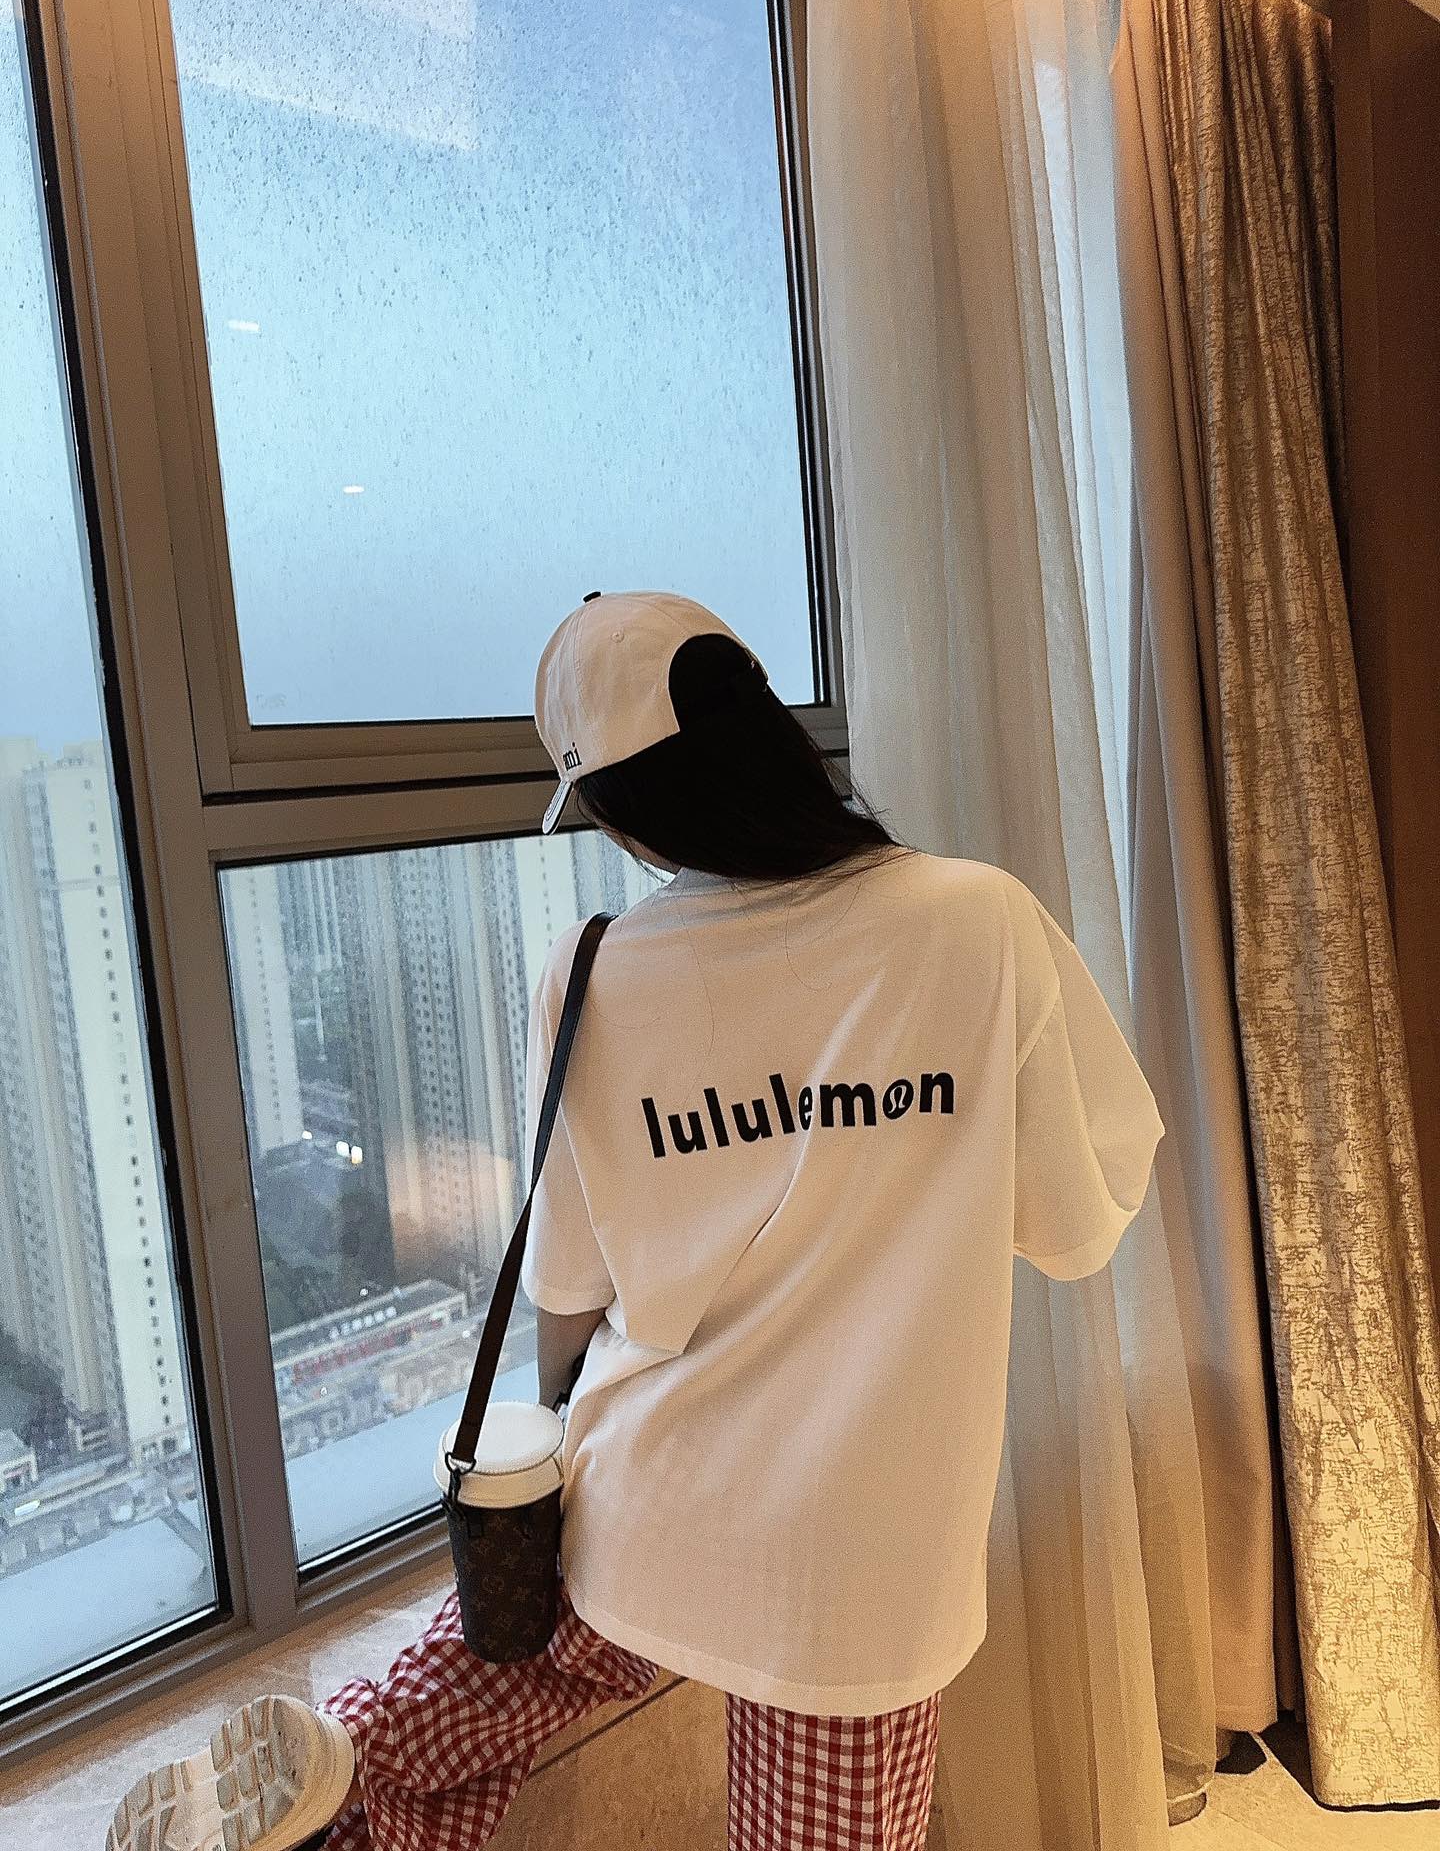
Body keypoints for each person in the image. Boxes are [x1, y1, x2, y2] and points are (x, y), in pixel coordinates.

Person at [106, 591, 1164, 1851]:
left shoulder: (592, 967)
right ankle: (347, 1771)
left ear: (624, 811)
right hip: (861, 1546)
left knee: (531, 1646)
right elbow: (1077, 1222)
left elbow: (571, 1297)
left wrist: (549, 1451)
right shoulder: (978, 923)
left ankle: (353, 1760)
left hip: (653, 1486)